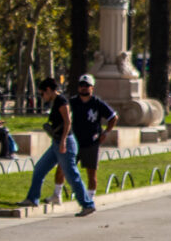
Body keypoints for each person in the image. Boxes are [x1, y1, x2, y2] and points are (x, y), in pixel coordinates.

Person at [16, 78, 96, 217]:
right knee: (40, 168)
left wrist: (63, 141)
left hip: (65, 143)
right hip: (56, 142)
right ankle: (32, 199)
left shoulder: (61, 101)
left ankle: (87, 204)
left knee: (72, 176)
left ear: (48, 90)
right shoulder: (56, 101)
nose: (43, 97)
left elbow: (68, 122)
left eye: (42, 94)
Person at [69, 74, 117, 190]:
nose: (84, 88)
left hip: (91, 143)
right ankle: (59, 193)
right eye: (81, 85)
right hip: (74, 142)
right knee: (66, 169)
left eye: (87, 85)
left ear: (92, 88)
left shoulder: (97, 103)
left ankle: (90, 198)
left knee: (91, 174)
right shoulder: (72, 102)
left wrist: (105, 132)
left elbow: (113, 117)